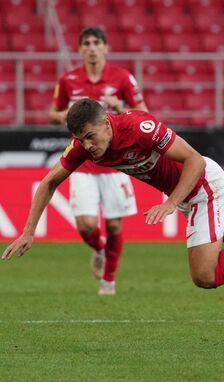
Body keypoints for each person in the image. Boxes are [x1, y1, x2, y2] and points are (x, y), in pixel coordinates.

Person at [3, 99, 224, 296]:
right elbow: (49, 182)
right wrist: (29, 231)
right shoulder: (85, 147)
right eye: (82, 139)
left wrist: (171, 203)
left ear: (107, 123)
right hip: (187, 192)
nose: (89, 146)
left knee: (205, 275)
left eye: (92, 136)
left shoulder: (140, 127)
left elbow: (194, 160)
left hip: (201, 184)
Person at [48, 27, 149, 295]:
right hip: (83, 162)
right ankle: (100, 248)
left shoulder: (122, 77)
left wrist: (117, 107)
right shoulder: (68, 79)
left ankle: (109, 280)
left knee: (115, 224)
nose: (91, 47)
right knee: (86, 226)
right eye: (86, 43)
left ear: (105, 47)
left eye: (96, 43)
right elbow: (52, 113)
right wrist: (68, 115)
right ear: (80, 49)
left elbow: (144, 113)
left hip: (116, 161)